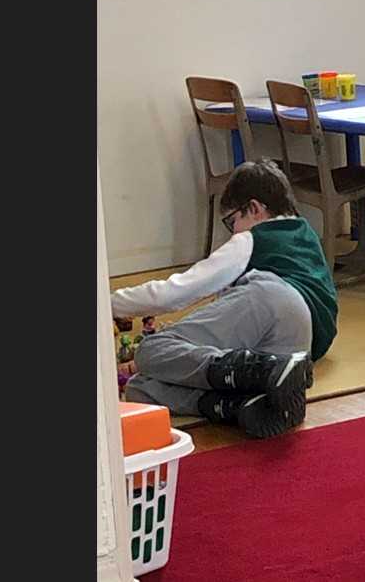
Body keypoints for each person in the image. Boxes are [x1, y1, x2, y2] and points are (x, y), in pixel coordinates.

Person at [111, 159, 338, 438]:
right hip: (304, 346)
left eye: (232, 221)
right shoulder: (305, 233)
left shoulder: (251, 239)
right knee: (140, 388)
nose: (233, 231)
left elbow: (175, 293)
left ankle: (255, 373)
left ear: (254, 208)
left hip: (274, 301)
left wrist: (108, 303)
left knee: (149, 350)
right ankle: (239, 405)